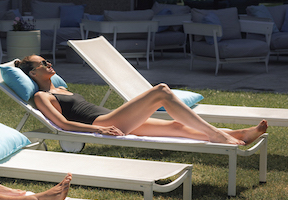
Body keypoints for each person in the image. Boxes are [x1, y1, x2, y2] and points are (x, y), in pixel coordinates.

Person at [15, 55, 268, 146]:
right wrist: (99, 129)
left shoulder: (61, 87)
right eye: (43, 63)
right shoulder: (42, 96)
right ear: (33, 74)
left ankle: (239, 134)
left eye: (47, 60)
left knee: (176, 126)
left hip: (111, 117)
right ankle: (218, 135)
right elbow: (62, 124)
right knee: (161, 91)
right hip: (105, 121)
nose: (49, 63)